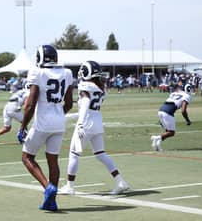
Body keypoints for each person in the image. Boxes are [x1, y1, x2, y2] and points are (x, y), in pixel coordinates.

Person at [58, 61, 129, 196]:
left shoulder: (85, 86)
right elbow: (89, 109)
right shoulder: (100, 88)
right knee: (101, 154)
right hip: (97, 122)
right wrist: (69, 117)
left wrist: (79, 123)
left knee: (74, 154)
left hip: (86, 124)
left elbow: (85, 103)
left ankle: (69, 186)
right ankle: (120, 181)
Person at [19, 45, 74, 212]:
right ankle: (52, 202)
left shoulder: (37, 72)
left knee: (27, 157)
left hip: (43, 123)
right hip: (59, 122)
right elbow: (70, 103)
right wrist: (57, 114)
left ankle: (48, 187)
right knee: (53, 160)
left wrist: (22, 127)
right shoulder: (67, 72)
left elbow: (30, 104)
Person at [151, 84, 193, 151]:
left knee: (167, 131)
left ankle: (157, 144)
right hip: (168, 112)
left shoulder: (176, 93)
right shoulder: (187, 96)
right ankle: (156, 138)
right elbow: (183, 110)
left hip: (161, 110)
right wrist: (187, 120)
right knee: (171, 132)